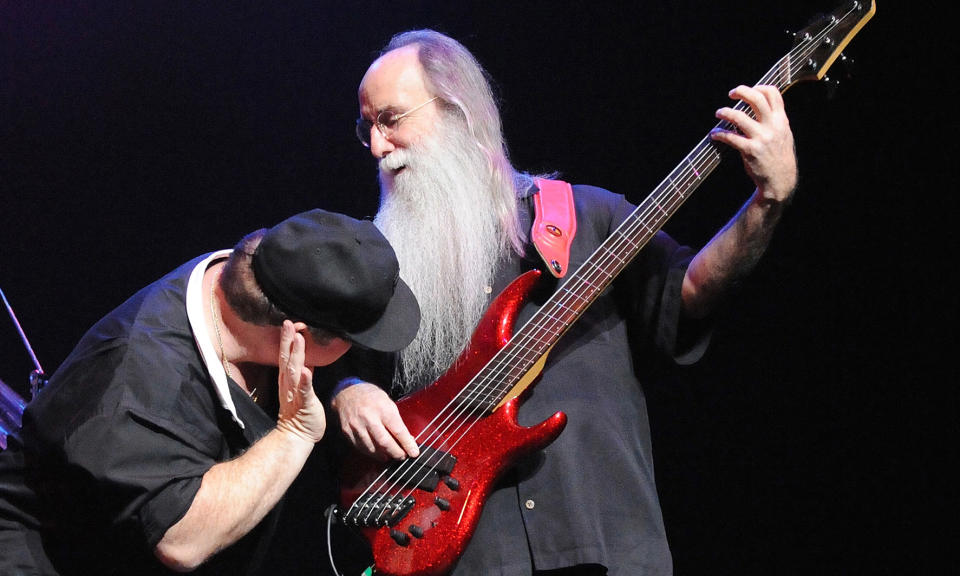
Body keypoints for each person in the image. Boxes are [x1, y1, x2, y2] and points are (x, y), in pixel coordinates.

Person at [325, 29, 797, 575]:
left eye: (392, 119)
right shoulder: (381, 264)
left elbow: (687, 293)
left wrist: (769, 200)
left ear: (460, 111)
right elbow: (336, 371)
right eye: (368, 128)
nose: (379, 146)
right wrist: (348, 391)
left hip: (603, 543)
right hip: (467, 556)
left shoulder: (587, 217)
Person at [0, 209, 420, 575]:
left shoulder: (257, 280)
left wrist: (347, 388)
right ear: (299, 338)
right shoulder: (137, 392)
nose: (359, 348)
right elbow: (184, 540)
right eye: (356, 338)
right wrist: (294, 433)